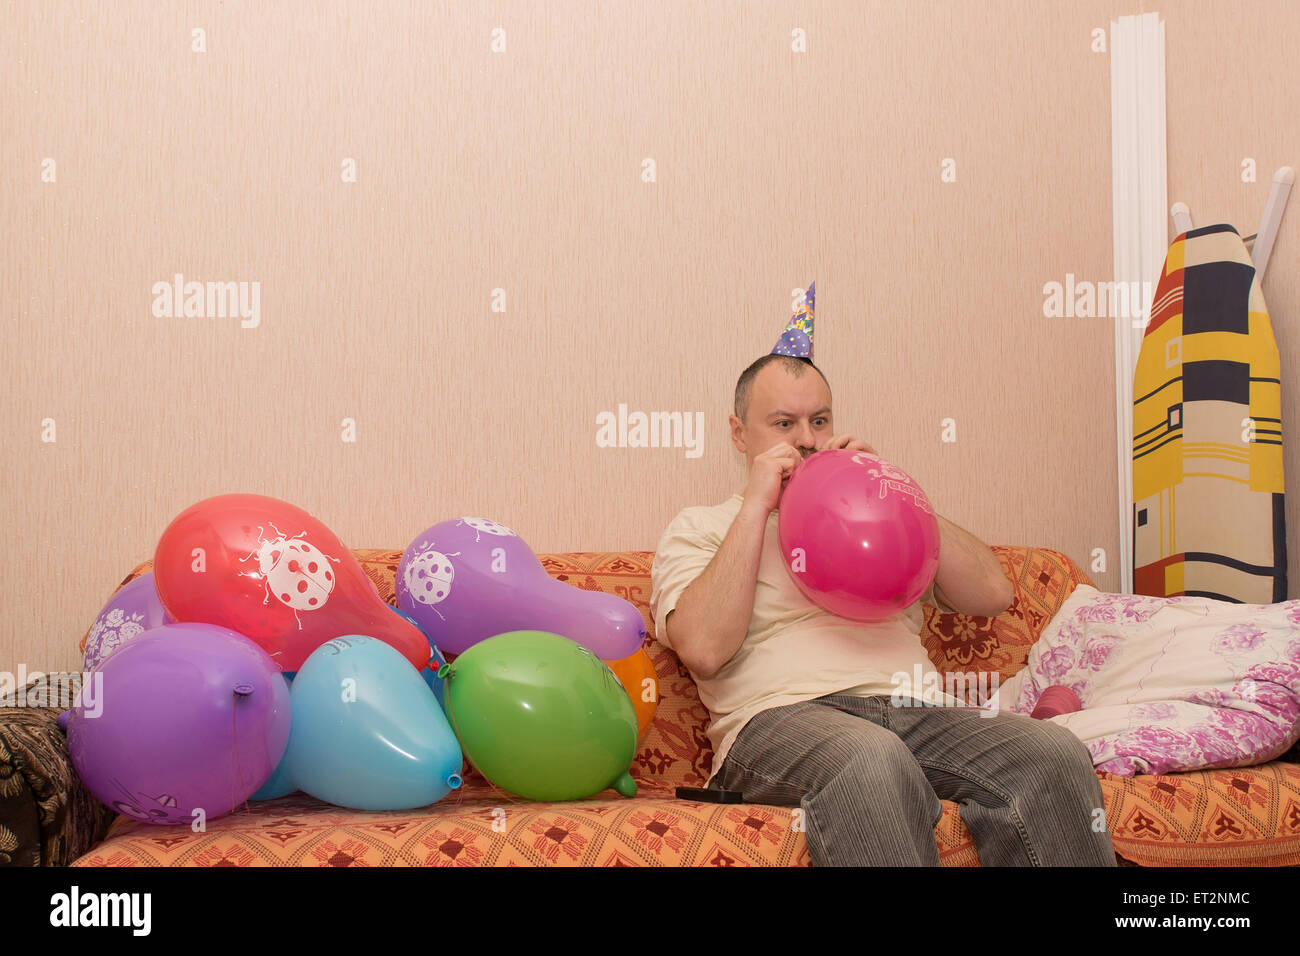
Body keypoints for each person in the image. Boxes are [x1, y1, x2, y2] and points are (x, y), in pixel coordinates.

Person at [649, 285, 1117, 866]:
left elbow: (993, 594)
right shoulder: (703, 527)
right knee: (871, 758)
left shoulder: (878, 516)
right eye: (783, 423)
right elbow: (703, 648)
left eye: (819, 420)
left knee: (1051, 752)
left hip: (917, 710)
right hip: (779, 721)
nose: (807, 439)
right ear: (739, 434)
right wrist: (757, 507)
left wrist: (894, 493)